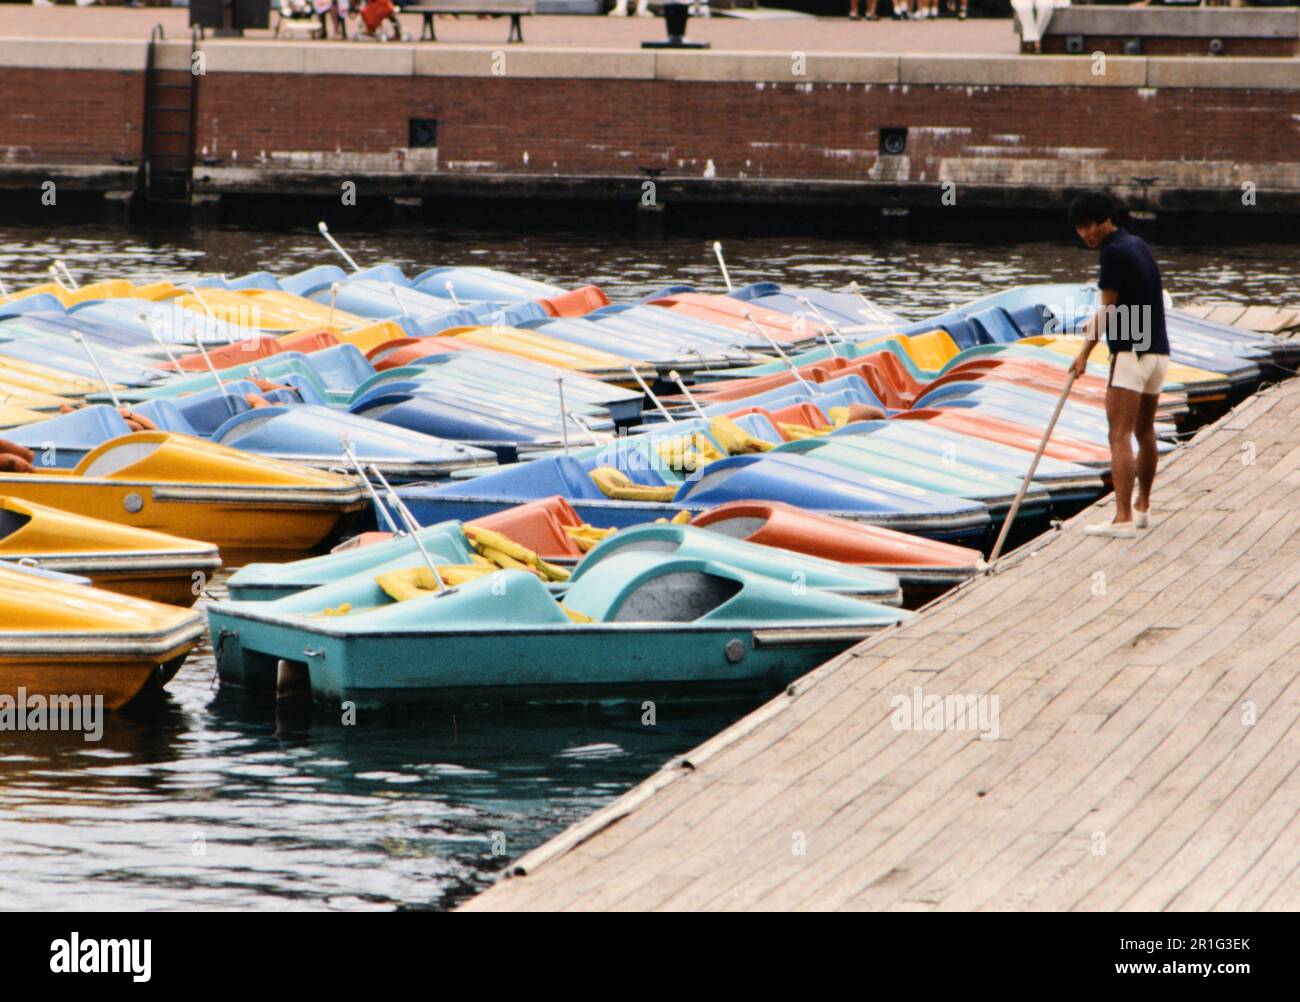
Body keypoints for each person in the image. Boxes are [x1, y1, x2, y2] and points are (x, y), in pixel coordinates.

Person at [1067, 191, 1171, 539]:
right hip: (1158, 353)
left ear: (1103, 222)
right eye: (1079, 229)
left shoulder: (1111, 253)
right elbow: (1137, 299)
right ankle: (1143, 508)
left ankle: (1122, 519)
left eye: (1087, 227)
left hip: (1130, 355)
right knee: (1144, 431)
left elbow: (1109, 308)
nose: (1084, 234)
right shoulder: (1138, 245)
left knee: (1119, 435)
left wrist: (1083, 353)